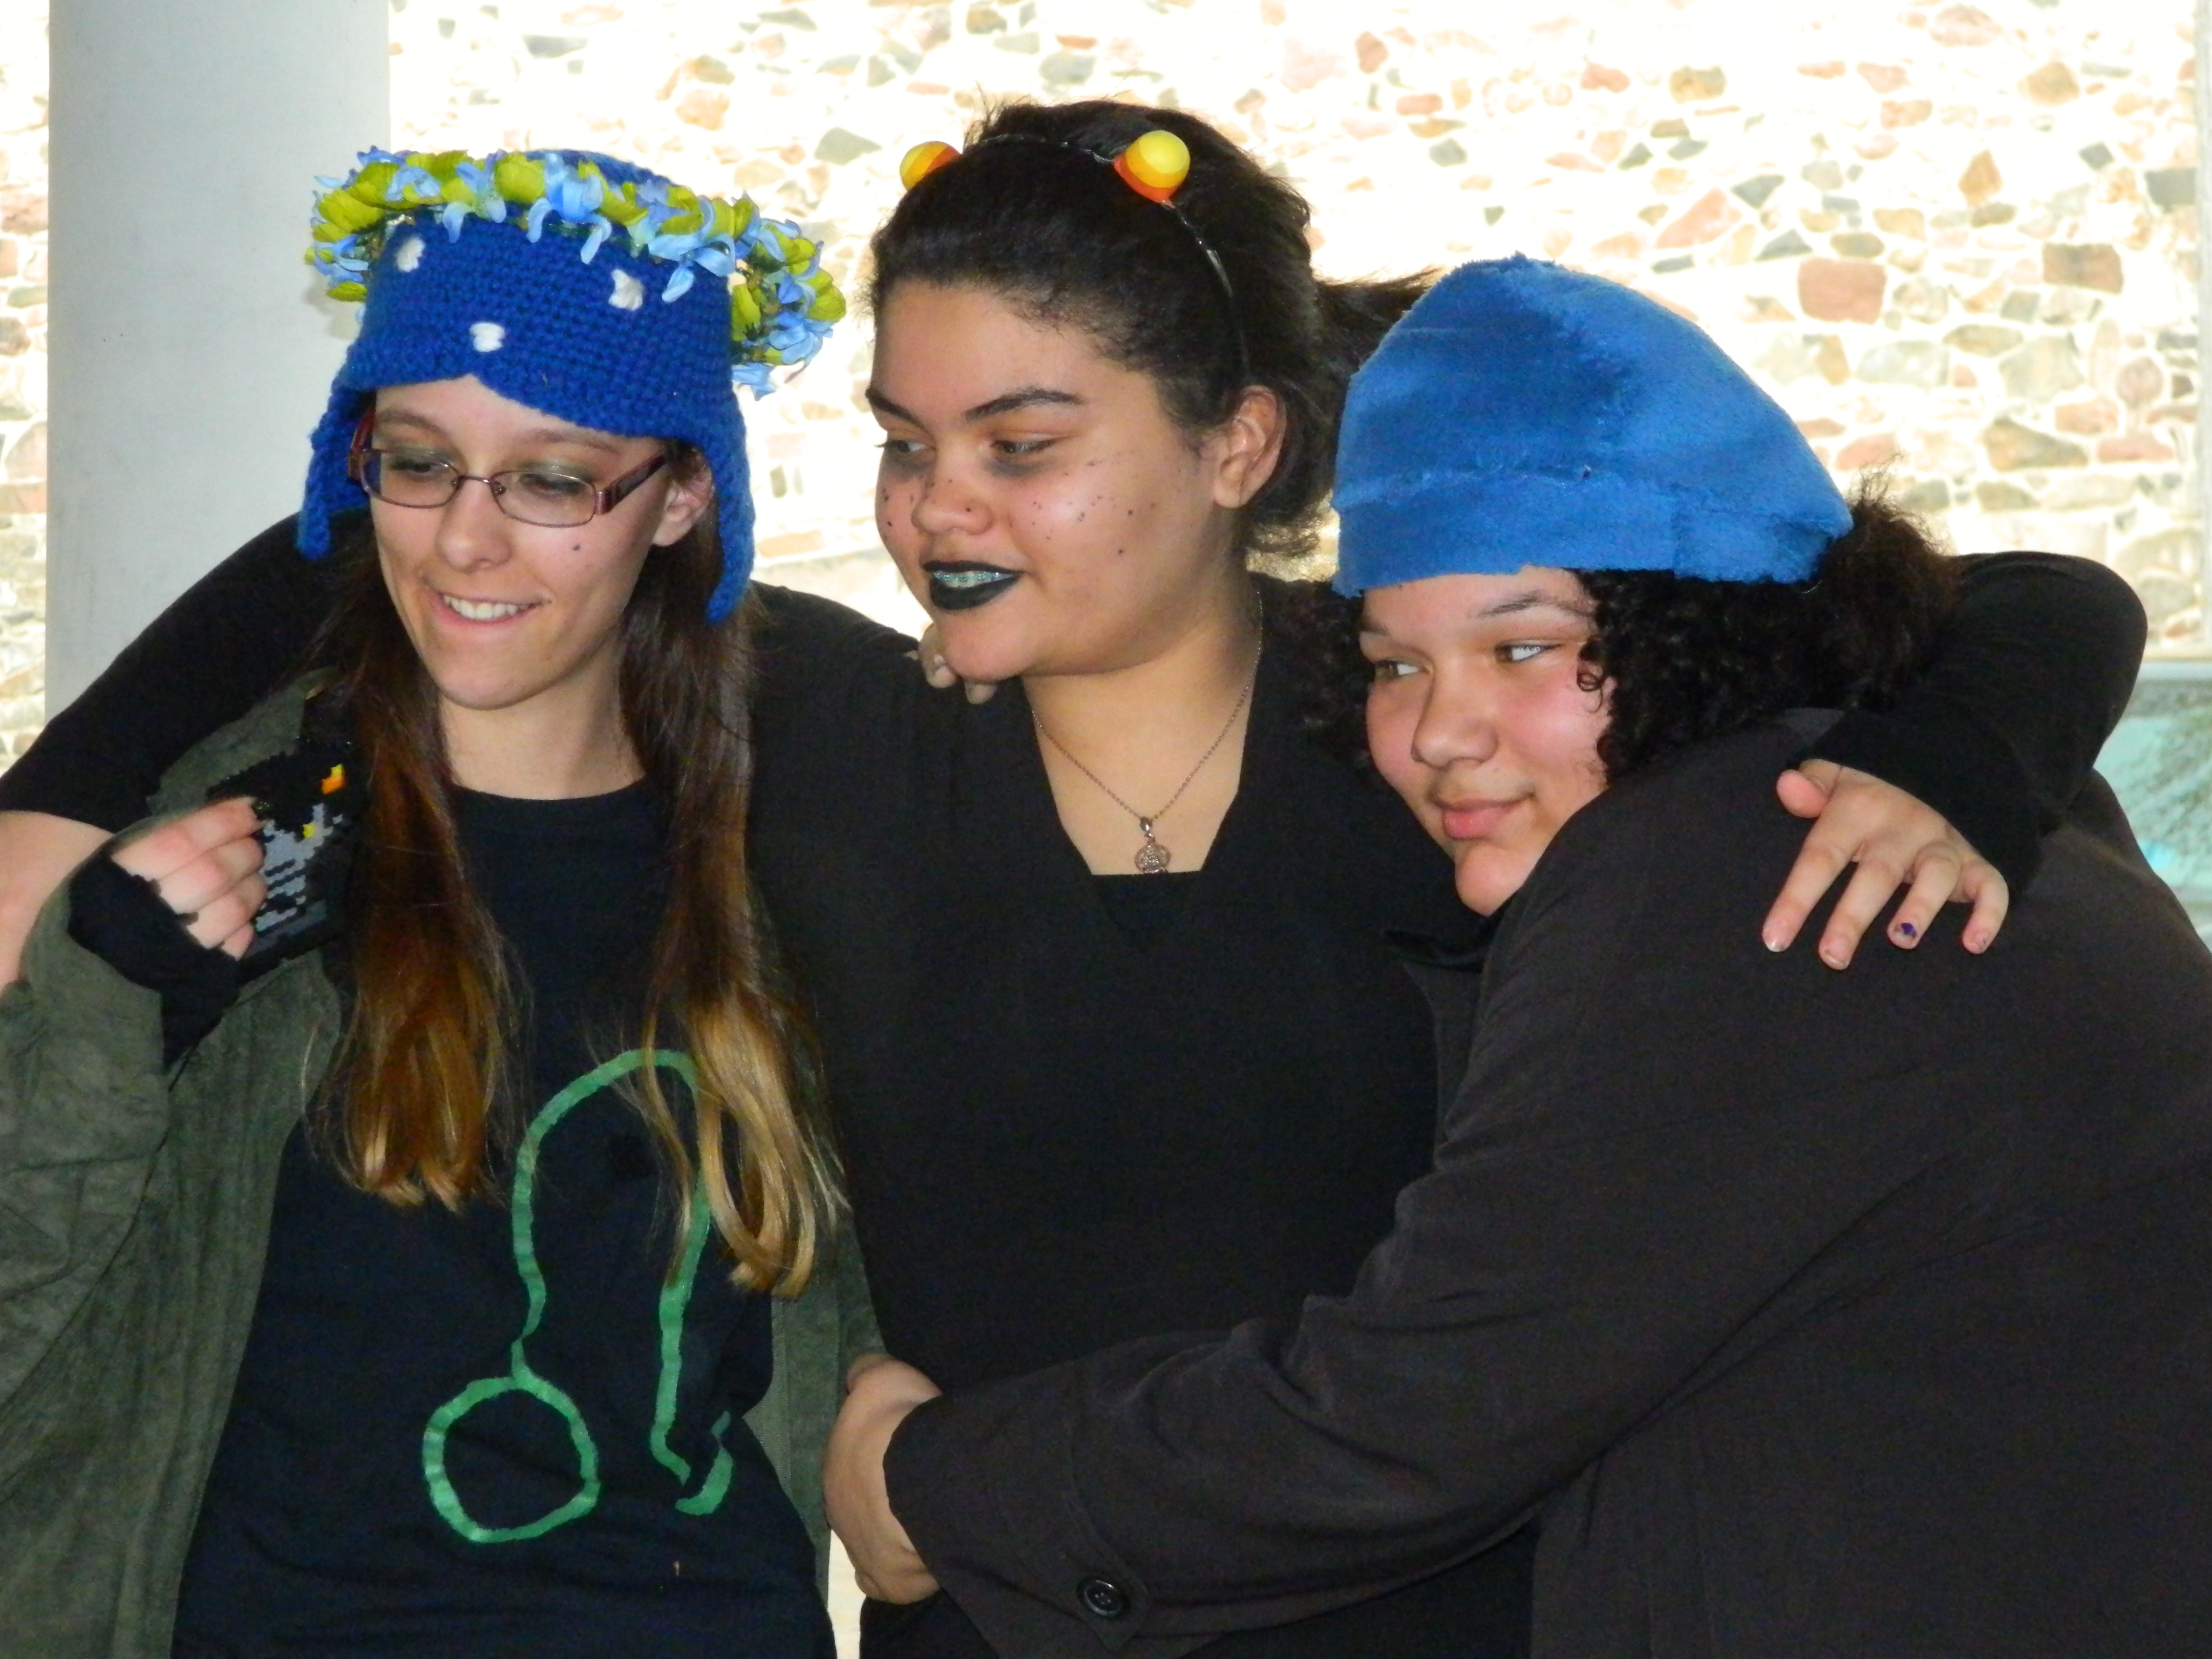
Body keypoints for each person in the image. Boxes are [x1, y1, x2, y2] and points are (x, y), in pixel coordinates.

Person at [0, 106, 2147, 1657]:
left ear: (1237, 449)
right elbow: (384, 557)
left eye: (1021, 447)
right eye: (903, 441)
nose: (937, 506)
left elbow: (1996, 603)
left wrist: (1950, 761)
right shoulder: (830, 735)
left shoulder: (1437, 738)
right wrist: (64, 846)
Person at [824, 257, 2212, 1658]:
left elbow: (1419, 1409)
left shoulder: (1736, 872)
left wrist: (932, 1486)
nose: (1441, 732)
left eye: (1526, 649)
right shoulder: (1923, 790)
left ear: (1697, 630)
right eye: (1396, 665)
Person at [0, 147, 878, 1657]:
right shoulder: (226, 848)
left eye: (552, 478)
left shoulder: (792, 860)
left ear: (680, 499)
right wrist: (106, 1012)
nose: (467, 540)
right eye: (417, 462)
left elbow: (880, 1290)